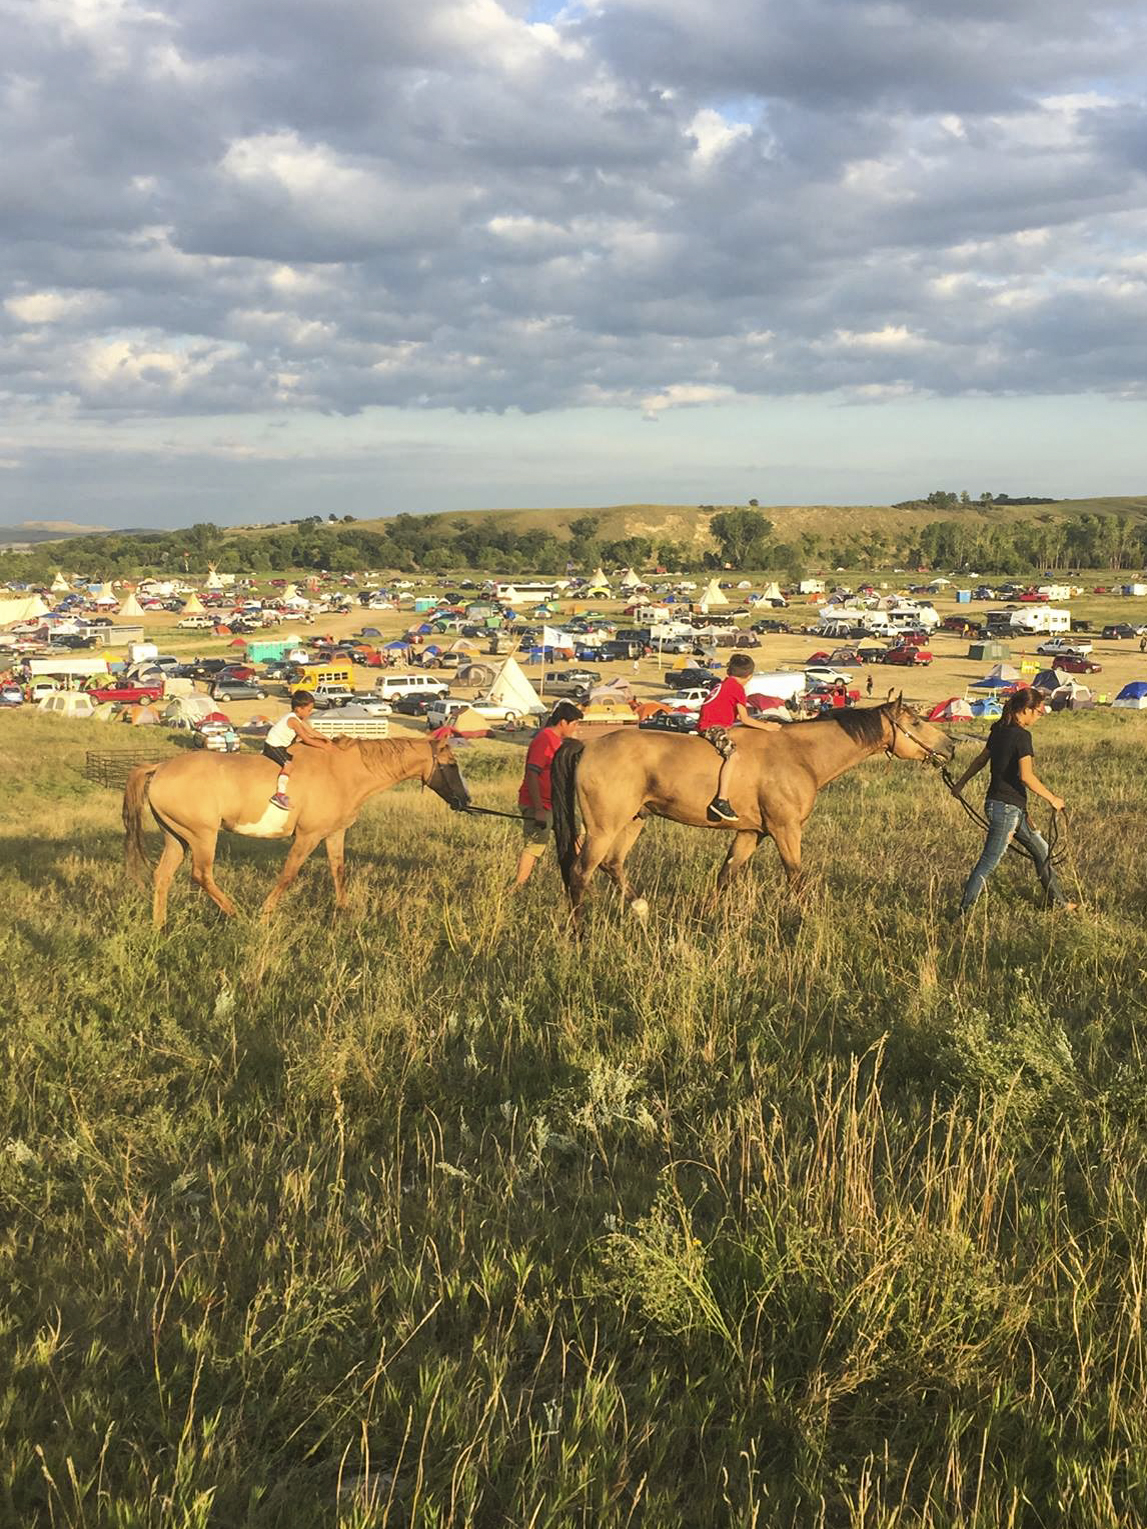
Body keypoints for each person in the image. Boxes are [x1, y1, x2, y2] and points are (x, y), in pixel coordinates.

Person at [949, 686, 1075, 916]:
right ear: (1026, 709)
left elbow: (980, 761)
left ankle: (1059, 904)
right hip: (1007, 810)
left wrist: (960, 784)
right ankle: (962, 914)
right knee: (987, 863)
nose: (1039, 717)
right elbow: (1026, 777)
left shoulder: (998, 729)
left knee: (1042, 852)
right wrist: (1052, 798)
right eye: (1038, 712)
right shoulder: (1022, 736)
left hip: (1004, 805)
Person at [696, 654, 780, 823]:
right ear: (749, 676)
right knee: (733, 757)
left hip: (710, 724)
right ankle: (721, 799)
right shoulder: (737, 689)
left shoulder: (723, 684)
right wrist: (768, 727)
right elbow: (745, 719)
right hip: (713, 727)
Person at [514, 701, 583, 885]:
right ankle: (517, 887)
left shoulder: (562, 742)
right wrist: (538, 809)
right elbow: (532, 774)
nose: (577, 728)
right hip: (540, 803)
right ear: (563, 722)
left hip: (558, 804)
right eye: (575, 724)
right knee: (535, 845)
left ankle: (579, 880)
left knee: (578, 834)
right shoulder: (544, 739)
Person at [262, 690, 334, 810]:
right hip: (273, 746)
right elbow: (306, 739)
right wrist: (323, 746)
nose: (310, 713)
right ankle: (279, 795)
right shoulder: (293, 721)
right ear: (299, 709)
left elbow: (311, 731)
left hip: (282, 746)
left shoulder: (297, 719)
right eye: (308, 710)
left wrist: (327, 739)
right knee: (289, 765)